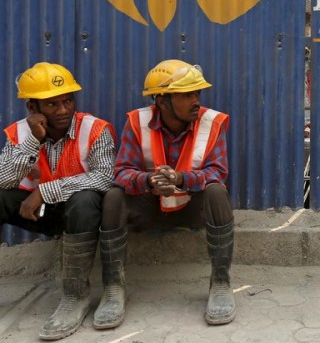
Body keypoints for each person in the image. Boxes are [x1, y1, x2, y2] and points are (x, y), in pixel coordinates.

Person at [0, 63, 116, 340]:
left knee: (86, 199)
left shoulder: (94, 128)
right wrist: (33, 141)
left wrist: (46, 191)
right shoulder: (21, 133)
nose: (63, 109)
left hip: (80, 215)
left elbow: (105, 177)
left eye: (68, 100)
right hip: (37, 213)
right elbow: (2, 180)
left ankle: (75, 297)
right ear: (33, 109)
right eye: (52, 104)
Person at [93, 59, 235, 329]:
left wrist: (181, 178)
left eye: (197, 94)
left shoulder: (210, 122)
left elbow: (217, 172)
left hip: (192, 207)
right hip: (150, 208)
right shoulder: (138, 122)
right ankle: (113, 288)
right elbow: (121, 172)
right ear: (162, 101)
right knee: (113, 196)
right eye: (186, 95)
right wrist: (149, 181)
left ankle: (220, 282)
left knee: (216, 192)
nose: (196, 101)